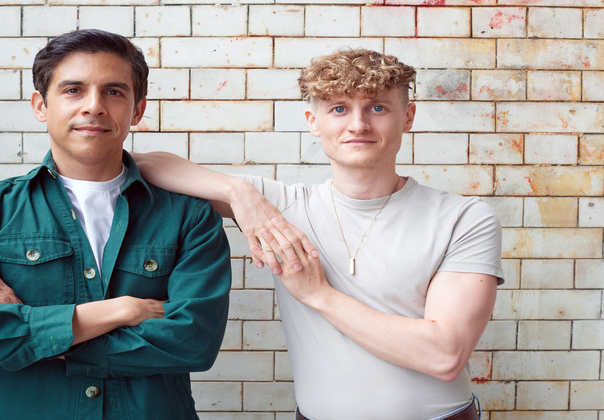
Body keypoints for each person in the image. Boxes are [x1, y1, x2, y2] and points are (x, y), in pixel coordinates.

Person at [135, 49, 503, 420]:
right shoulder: (281, 207)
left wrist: (318, 295)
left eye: (377, 108)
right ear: (314, 121)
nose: (358, 125)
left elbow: (443, 355)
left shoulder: (464, 218)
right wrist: (239, 193)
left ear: (407, 117)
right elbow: (143, 163)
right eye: (339, 109)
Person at [0, 29, 231, 419]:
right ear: (41, 105)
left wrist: (37, 330)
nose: (94, 106)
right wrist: (122, 310)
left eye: (114, 92)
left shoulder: (188, 216)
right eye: (73, 90)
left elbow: (193, 342)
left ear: (137, 109)